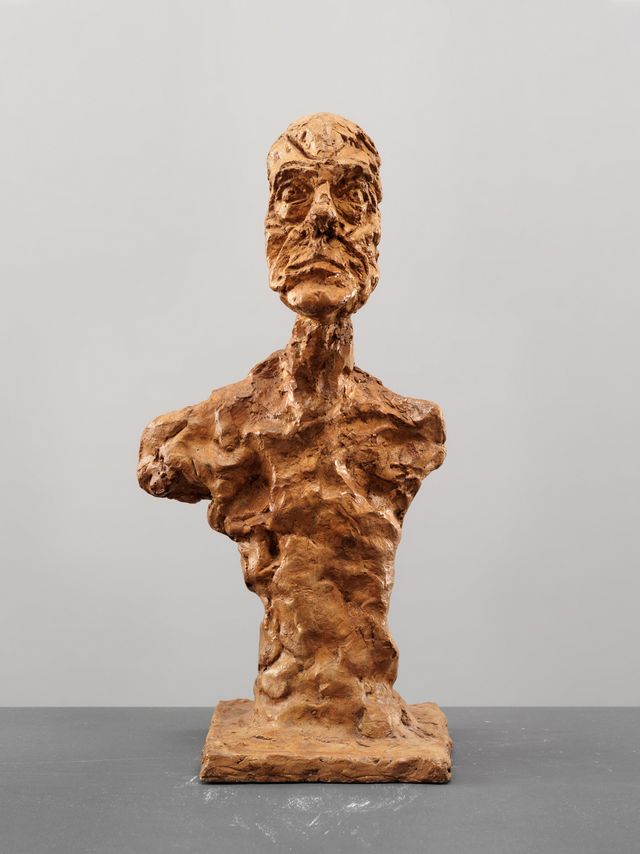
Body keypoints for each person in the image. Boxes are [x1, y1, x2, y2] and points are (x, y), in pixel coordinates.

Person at [138, 113, 446, 740]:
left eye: (353, 195)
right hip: (283, 713)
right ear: (267, 230)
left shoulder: (410, 431)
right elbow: (158, 463)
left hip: (371, 725)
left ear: (377, 233)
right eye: (293, 193)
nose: (323, 218)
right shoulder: (214, 427)